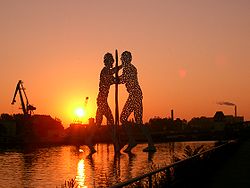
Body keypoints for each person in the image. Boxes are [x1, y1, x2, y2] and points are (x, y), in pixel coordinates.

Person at [119, 51, 156, 153]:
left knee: (123, 118)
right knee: (138, 122)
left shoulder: (129, 68)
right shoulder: (130, 68)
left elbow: (122, 79)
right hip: (136, 95)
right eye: (122, 59)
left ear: (127, 59)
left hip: (135, 95)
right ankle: (149, 144)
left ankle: (132, 140)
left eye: (124, 59)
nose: (123, 60)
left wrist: (113, 80)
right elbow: (122, 79)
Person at [86, 52, 121, 154]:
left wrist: (120, 67)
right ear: (107, 62)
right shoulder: (104, 71)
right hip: (102, 100)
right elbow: (112, 79)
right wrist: (117, 79)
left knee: (98, 123)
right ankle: (116, 144)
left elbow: (113, 73)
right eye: (111, 62)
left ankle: (89, 140)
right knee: (111, 122)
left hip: (101, 100)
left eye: (112, 62)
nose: (112, 64)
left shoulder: (107, 71)